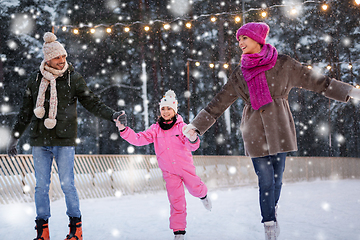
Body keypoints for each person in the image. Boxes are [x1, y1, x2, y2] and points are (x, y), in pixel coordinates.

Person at [182, 22, 360, 240]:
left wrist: (348, 91)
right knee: (265, 180)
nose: (240, 44)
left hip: (280, 128)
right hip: (254, 131)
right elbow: (219, 101)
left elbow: (316, 80)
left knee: (277, 179)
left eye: (243, 39)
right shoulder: (240, 73)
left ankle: (271, 210)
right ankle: (268, 223)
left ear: (257, 38)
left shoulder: (284, 64)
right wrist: (197, 126)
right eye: (238, 40)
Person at [6, 32, 125, 240]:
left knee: (67, 184)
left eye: (63, 57)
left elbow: (91, 102)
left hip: (64, 140)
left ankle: (75, 229)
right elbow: (25, 112)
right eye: (57, 58)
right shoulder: (35, 81)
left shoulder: (74, 79)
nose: (62, 61)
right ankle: (42, 232)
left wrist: (112, 115)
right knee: (41, 186)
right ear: (47, 59)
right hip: (39, 141)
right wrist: (15, 137)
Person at [114, 90, 212, 240]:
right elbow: (139, 139)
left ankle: (203, 195)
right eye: (163, 109)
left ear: (174, 110)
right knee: (176, 201)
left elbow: (193, 145)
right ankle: (179, 233)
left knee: (195, 189)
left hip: (185, 168)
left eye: (169, 108)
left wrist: (192, 138)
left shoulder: (182, 127)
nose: (165, 112)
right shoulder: (156, 128)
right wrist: (123, 129)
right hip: (169, 172)